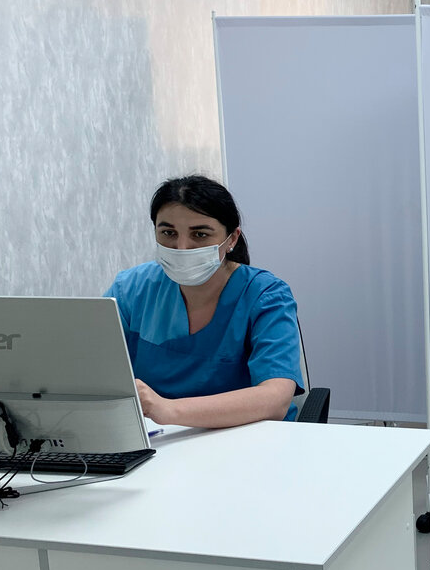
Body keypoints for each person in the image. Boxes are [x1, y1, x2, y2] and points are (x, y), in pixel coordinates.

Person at [105, 175, 304, 427]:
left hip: (247, 437)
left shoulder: (265, 296)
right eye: (168, 232)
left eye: (200, 234)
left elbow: (275, 399)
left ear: (232, 239)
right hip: (157, 440)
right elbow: (88, 367)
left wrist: (168, 410)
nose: (182, 247)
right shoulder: (131, 289)